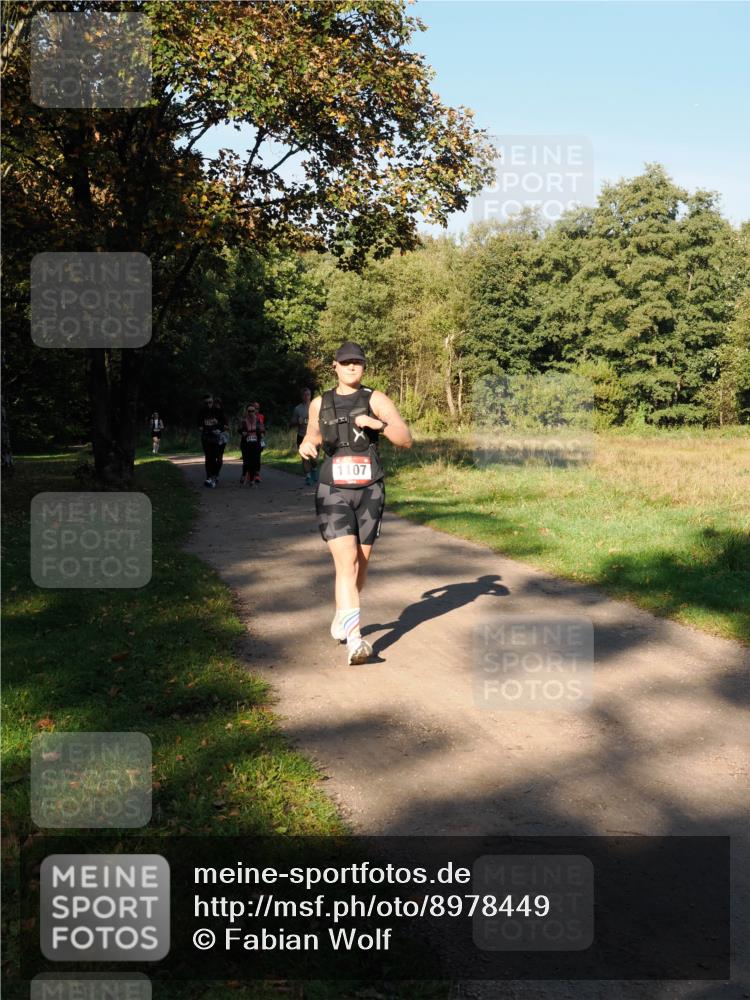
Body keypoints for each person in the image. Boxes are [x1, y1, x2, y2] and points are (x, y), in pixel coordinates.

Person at [299, 341, 412, 665]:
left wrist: (379, 425)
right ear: (334, 366)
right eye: (345, 362)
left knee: (360, 565)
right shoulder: (320, 403)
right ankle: (355, 640)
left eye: (357, 363)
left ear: (364, 367)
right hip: (333, 488)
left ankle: (342, 613)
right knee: (346, 562)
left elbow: (406, 440)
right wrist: (307, 444)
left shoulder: (376, 399)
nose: (351, 367)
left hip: (369, 490)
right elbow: (313, 436)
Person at [197, 394, 227, 488]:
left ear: (212, 402)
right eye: (206, 403)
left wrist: (217, 424)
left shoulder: (218, 411)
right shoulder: (201, 412)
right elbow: (199, 424)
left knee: (216, 458)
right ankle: (209, 477)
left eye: (210, 402)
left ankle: (214, 475)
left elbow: (224, 423)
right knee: (208, 457)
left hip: (216, 437)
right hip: (206, 437)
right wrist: (201, 427)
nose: (208, 404)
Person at [290, 387, 317, 486]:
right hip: (302, 436)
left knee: (314, 458)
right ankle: (308, 477)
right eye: (304, 395)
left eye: (308, 394)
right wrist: (297, 421)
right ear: (302, 396)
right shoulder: (297, 409)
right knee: (305, 457)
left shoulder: (316, 406)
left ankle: (314, 469)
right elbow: (291, 423)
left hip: (314, 436)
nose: (306, 397)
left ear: (310, 395)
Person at [239, 403, 265, 485]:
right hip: (246, 444)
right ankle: (244, 474)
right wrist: (242, 432)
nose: (251, 413)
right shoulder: (243, 420)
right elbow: (239, 429)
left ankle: (252, 479)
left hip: (255, 443)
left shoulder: (258, 420)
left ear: (255, 411)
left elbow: (262, 429)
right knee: (246, 461)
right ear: (247, 411)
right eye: (249, 411)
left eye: (252, 411)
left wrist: (261, 433)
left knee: (254, 461)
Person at [213, 396, 230, 480]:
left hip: (221, 437)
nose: (217, 405)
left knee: (219, 458)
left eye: (218, 404)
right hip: (212, 437)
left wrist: (219, 425)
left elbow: (227, 426)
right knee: (212, 456)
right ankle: (213, 473)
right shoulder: (210, 414)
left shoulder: (223, 414)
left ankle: (216, 473)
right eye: (215, 403)